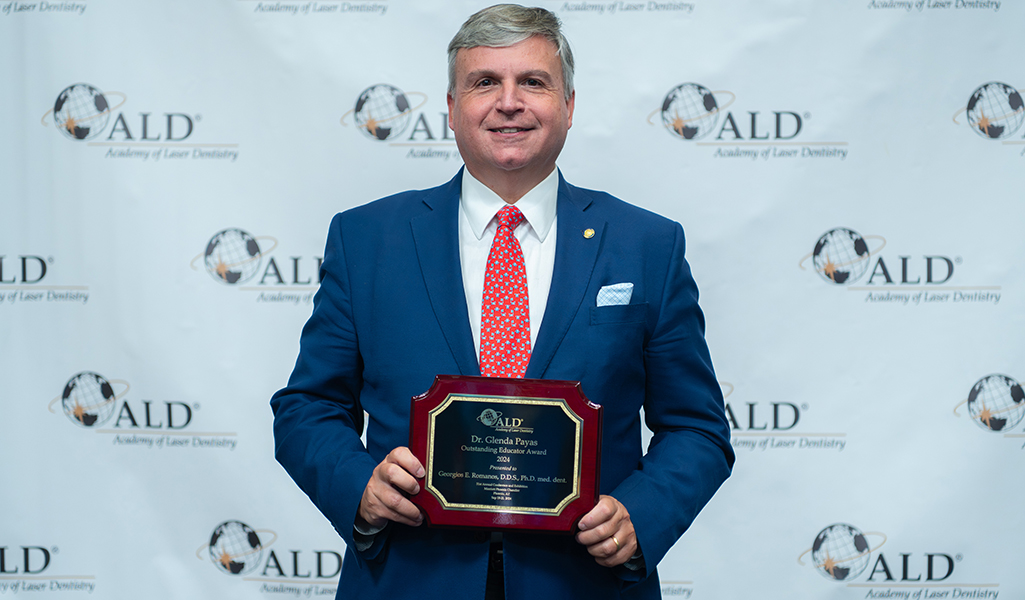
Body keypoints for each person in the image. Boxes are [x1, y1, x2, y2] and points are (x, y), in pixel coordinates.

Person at [271, 5, 733, 600]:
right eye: (485, 82)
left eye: (532, 83)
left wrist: (638, 516)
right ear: (452, 108)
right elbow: (307, 405)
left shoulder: (647, 246)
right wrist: (359, 485)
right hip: (409, 579)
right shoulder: (367, 240)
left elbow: (697, 426)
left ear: (568, 106)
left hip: (583, 584)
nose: (508, 102)